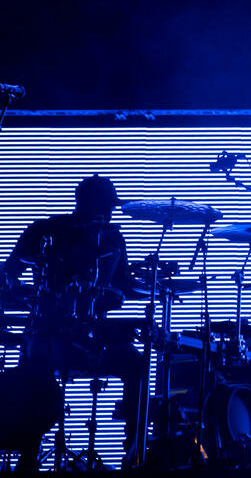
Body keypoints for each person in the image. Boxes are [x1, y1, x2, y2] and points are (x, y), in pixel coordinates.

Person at [1, 174, 145, 467]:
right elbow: (9, 275)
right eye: (106, 207)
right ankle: (29, 459)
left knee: (135, 364)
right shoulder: (46, 231)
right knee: (35, 383)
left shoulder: (110, 237)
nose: (110, 213)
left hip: (76, 335)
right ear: (88, 203)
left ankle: (133, 456)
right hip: (51, 334)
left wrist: (155, 283)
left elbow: (123, 287)